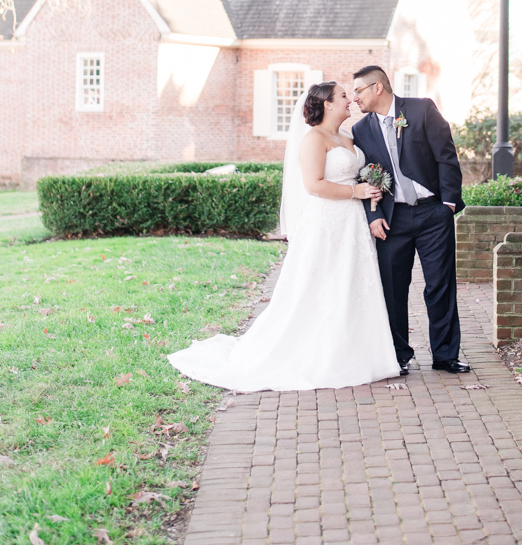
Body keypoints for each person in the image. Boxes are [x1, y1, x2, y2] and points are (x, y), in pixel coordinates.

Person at [167, 81, 400, 391]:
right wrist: (354, 191)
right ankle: (318, 355)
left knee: (351, 284)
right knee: (319, 287)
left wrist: (368, 190)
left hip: (352, 222)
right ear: (328, 104)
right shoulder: (313, 139)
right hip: (327, 223)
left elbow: (357, 171)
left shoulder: (346, 135)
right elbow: (314, 185)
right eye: (343, 96)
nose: (350, 100)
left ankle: (357, 354)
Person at [351, 65, 469, 376]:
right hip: (393, 219)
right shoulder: (361, 130)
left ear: (378, 87)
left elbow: (447, 157)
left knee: (440, 286)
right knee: (393, 289)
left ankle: (445, 355)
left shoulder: (421, 110)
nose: (355, 98)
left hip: (433, 213)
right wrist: (374, 216)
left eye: (359, 91)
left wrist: (447, 205)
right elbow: (364, 177)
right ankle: (399, 356)